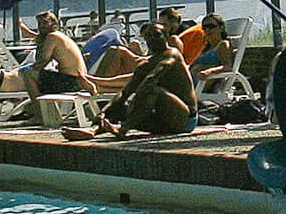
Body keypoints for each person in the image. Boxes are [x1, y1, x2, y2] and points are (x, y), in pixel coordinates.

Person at [68, 23, 196, 139]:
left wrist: (136, 99)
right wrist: (103, 113)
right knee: (120, 106)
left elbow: (156, 73)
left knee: (152, 90)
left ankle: (122, 129)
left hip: (184, 119)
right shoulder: (145, 65)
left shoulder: (172, 54)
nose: (152, 39)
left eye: (156, 35)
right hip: (162, 122)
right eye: (149, 37)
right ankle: (93, 131)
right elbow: (125, 93)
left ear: (166, 37)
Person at [30, 13, 91, 95]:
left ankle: (36, 104)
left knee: (29, 74)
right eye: (39, 24)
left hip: (71, 82)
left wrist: (24, 71)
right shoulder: (61, 36)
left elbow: (42, 61)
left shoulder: (52, 37)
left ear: (54, 24)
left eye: (45, 23)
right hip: (79, 81)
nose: (41, 26)